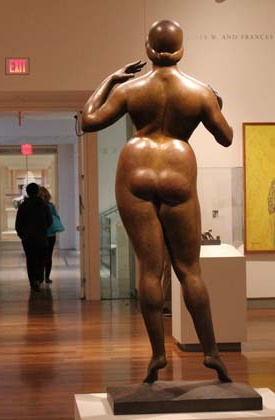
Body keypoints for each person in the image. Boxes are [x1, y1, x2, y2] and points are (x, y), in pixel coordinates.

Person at [82, 19, 233, 383]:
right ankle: (211, 352)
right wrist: (214, 100)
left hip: (136, 164)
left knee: (151, 269)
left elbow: (88, 120)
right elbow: (225, 136)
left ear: (148, 49)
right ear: (182, 49)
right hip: (179, 166)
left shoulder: (132, 88)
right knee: (189, 270)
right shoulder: (199, 92)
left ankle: (157, 354)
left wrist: (110, 79)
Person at [15, 183, 52, 292]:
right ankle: (39, 279)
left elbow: (18, 224)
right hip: (41, 237)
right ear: (37, 191)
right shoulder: (44, 205)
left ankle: (32, 281)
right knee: (41, 259)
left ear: (27, 192)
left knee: (30, 259)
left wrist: (22, 235)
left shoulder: (23, 206)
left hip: (27, 238)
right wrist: (43, 230)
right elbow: (50, 221)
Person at [39, 186, 64, 284]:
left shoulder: (38, 206)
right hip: (50, 235)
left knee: (40, 256)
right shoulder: (51, 205)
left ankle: (40, 277)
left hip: (40, 235)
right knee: (48, 256)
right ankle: (47, 277)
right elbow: (56, 217)